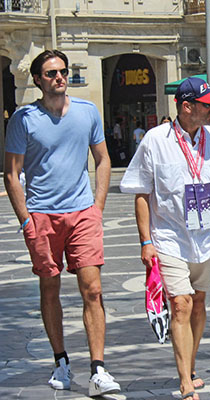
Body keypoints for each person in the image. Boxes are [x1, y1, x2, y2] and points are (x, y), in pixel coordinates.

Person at [3, 49, 120, 396]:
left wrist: (97, 207)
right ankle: (61, 361)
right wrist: (26, 221)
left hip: (82, 213)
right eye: (51, 73)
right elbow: (12, 174)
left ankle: (98, 369)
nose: (59, 77)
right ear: (38, 80)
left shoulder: (87, 112)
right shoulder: (23, 119)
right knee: (49, 288)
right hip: (42, 216)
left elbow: (102, 159)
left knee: (93, 289)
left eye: (63, 71)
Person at [120, 77, 210, 400]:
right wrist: (146, 241)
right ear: (186, 107)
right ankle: (185, 381)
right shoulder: (155, 140)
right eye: (207, 105)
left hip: (206, 240)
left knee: (198, 304)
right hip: (169, 237)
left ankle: (191, 364)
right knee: (181, 304)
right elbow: (141, 193)